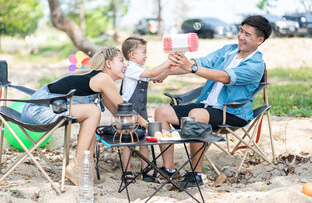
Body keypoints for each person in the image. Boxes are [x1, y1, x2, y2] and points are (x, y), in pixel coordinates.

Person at [154, 15, 272, 188]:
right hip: (206, 106)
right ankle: (169, 169)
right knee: (161, 112)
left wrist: (192, 68)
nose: (241, 36)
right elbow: (201, 62)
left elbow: (224, 77)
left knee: (196, 115)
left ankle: (195, 174)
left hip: (231, 112)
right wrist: (166, 72)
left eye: (247, 34)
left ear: (259, 40)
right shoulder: (228, 50)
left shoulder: (256, 65)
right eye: (241, 31)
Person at [21, 46, 149, 186]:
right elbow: (125, 109)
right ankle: (77, 167)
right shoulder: (103, 78)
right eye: (121, 61)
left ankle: (87, 168)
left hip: (43, 109)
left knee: (94, 117)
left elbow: (118, 112)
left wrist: (132, 126)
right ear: (109, 63)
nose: (125, 65)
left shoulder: (99, 80)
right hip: (38, 110)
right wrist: (147, 124)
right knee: (93, 111)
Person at [120, 36, 172, 183]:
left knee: (144, 140)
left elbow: (156, 76)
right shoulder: (130, 69)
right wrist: (167, 62)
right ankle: (127, 171)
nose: (146, 55)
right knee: (128, 142)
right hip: (128, 112)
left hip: (141, 111)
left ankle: (146, 169)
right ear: (132, 55)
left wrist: (170, 67)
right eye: (143, 52)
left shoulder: (139, 69)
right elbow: (151, 74)